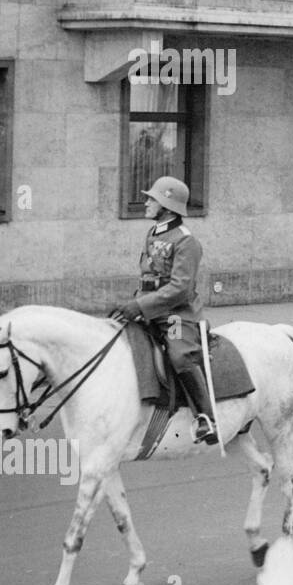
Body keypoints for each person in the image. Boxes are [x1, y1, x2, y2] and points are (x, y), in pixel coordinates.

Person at [108, 176, 218, 444]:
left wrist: (140, 305)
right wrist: (133, 305)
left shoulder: (186, 241)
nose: (146, 203)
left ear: (167, 206)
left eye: (151, 200)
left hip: (176, 315)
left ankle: (206, 418)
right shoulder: (154, 232)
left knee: (180, 355)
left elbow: (179, 289)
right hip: (147, 309)